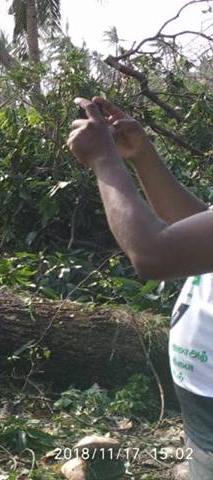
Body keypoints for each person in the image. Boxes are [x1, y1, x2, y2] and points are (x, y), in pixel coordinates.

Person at [68, 96, 213, 479]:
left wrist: (104, 160)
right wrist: (142, 158)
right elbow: (197, 226)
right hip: (201, 404)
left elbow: (154, 255)